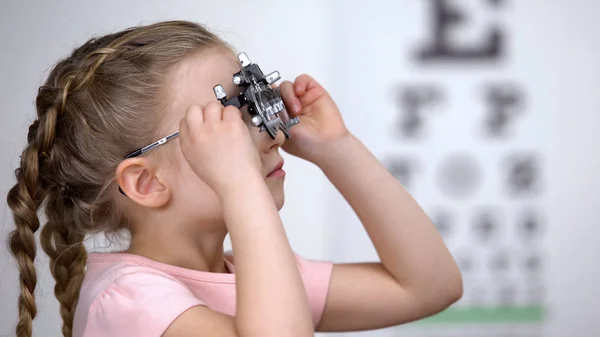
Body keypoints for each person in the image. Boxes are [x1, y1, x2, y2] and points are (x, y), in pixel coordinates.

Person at [6, 20, 462, 337]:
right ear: (146, 183)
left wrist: (337, 148)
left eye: (257, 104)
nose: (269, 133)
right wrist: (243, 185)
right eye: (227, 120)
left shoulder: (249, 275)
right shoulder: (127, 302)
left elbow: (428, 286)